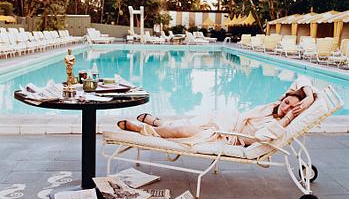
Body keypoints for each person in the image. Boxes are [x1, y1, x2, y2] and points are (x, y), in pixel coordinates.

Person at [117, 76, 317, 146]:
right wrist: (307, 98)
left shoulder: (278, 126)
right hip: (224, 118)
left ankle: (143, 128)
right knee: (185, 126)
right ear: (285, 97)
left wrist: (289, 117)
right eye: (288, 102)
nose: (287, 107)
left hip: (226, 136)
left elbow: (259, 138)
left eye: (292, 108)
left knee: (183, 131)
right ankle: (157, 123)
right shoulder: (274, 105)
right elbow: (303, 80)